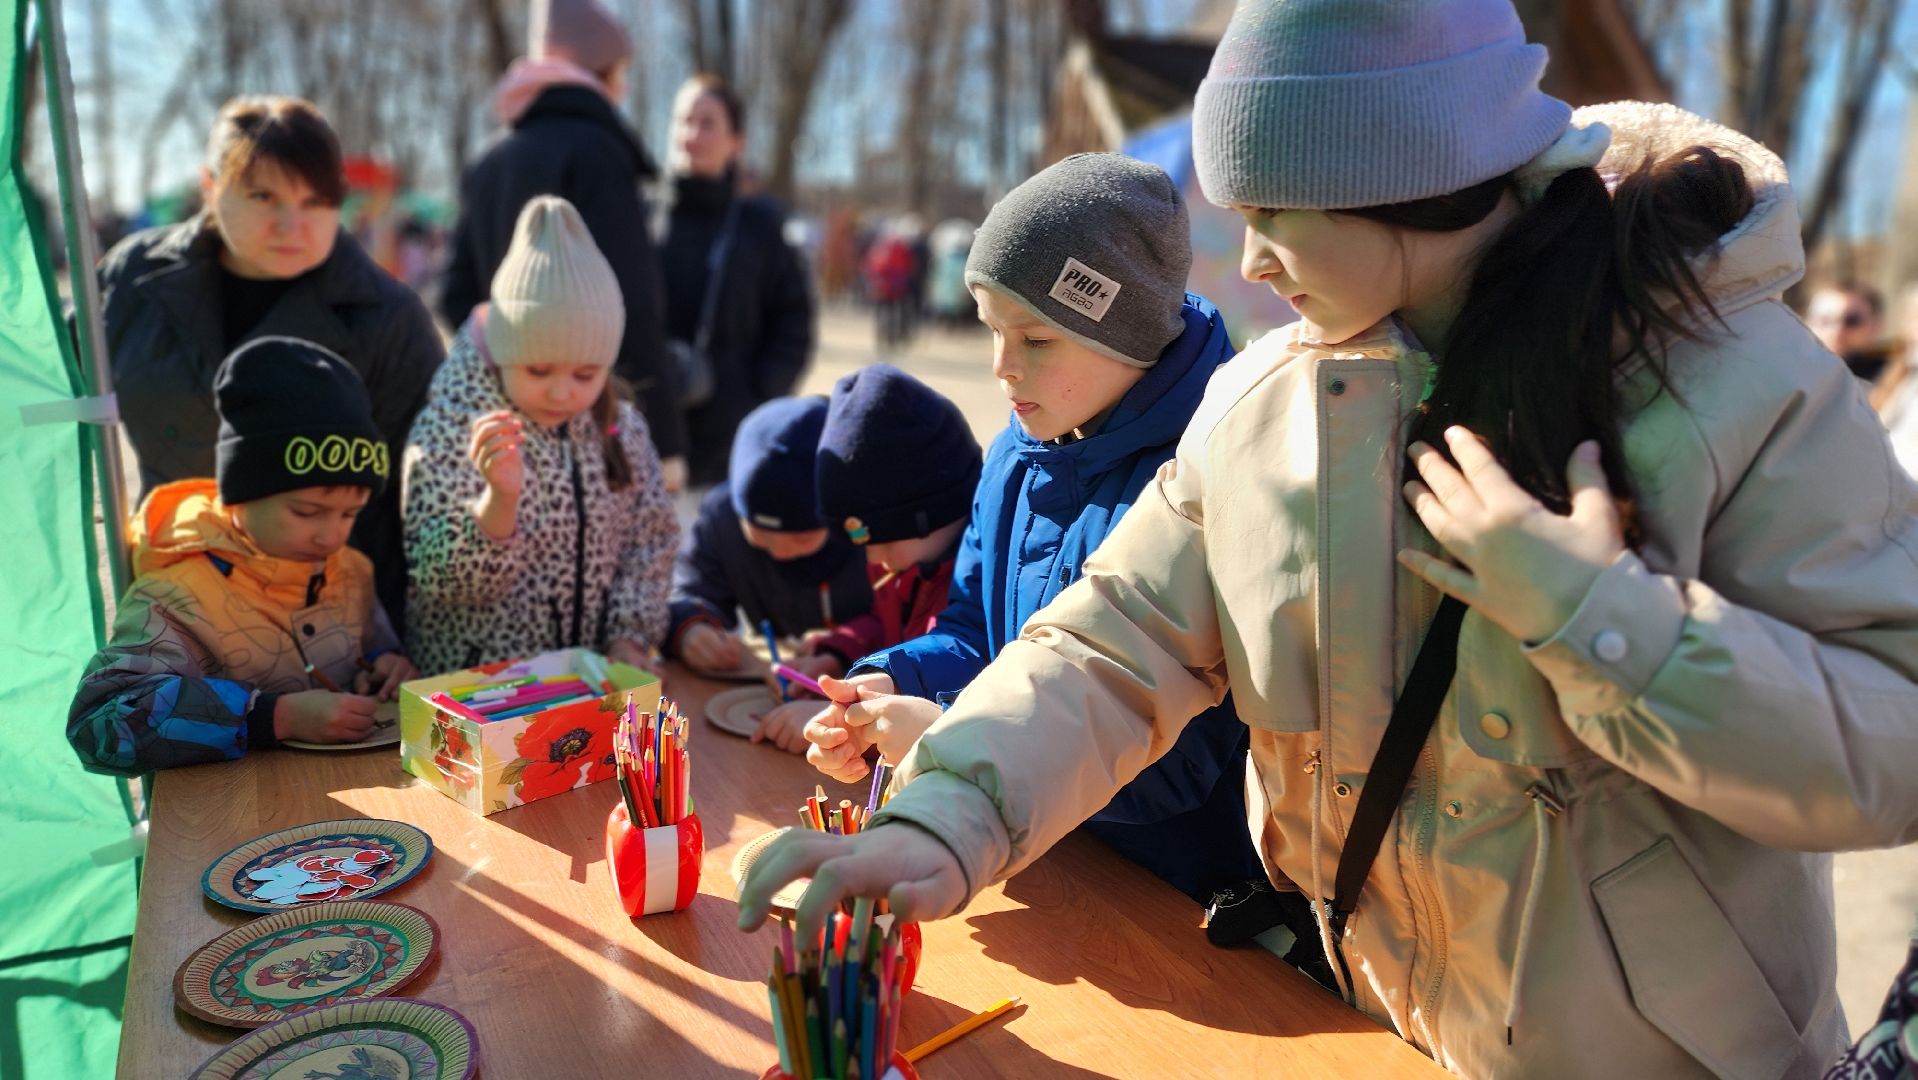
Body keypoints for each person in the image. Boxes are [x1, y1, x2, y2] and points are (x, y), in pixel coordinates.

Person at [739, 1, 1918, 1075]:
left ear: (1396, 182)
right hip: (1366, 1031)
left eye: (1267, 215)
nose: (1246, 261)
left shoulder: (1735, 386)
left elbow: (1895, 742)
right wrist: (940, 821)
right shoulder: (1268, 403)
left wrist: (1603, 622)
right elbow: (1112, 645)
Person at [800, 155, 1271, 919]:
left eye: (1037, 340)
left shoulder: (1211, 471)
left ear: (1126, 331)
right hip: (1021, 862)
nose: (1001, 367)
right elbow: (974, 635)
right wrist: (890, 684)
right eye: (991, 331)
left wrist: (952, 734)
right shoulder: (1018, 452)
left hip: (1166, 902)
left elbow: (1178, 761)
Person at [96, 95, 442, 636]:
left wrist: (391, 641)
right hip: (174, 598)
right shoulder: (133, 280)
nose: (292, 224)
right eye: (263, 195)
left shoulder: (388, 316)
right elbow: (48, 383)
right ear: (211, 187)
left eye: (314, 201)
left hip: (325, 620)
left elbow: (421, 498)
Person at [69, 339, 418, 775]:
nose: (332, 534)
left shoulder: (351, 570)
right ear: (240, 497)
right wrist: (274, 716)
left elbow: (373, 647)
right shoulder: (173, 597)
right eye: (306, 511)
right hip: (232, 825)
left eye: (350, 514)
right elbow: (97, 725)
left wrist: (383, 665)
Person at [403, 197, 676, 677]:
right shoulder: (455, 423)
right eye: (538, 368)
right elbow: (437, 577)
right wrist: (497, 504)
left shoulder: (620, 428)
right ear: (505, 350)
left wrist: (630, 636)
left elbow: (649, 540)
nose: (561, 391)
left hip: (588, 687)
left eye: (586, 373)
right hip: (480, 694)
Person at [439, 0, 688, 489]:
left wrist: (514, 370)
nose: (626, 87)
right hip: (590, 428)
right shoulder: (599, 154)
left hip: (499, 433)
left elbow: (455, 293)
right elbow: (631, 303)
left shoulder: (490, 158)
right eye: (621, 71)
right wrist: (666, 439)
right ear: (598, 71)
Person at [665, 397, 874, 747]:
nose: (782, 553)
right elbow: (689, 586)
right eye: (761, 538)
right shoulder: (723, 518)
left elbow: (902, 618)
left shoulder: (867, 531)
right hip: (776, 701)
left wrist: (844, 655)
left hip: (862, 708)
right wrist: (691, 628)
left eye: (802, 537)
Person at [656, 74, 817, 486]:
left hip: (728, 452)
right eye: (683, 120)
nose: (691, 134)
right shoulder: (639, 217)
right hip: (643, 444)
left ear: (737, 141)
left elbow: (793, 324)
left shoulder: (761, 226)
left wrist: (754, 402)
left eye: (707, 123)